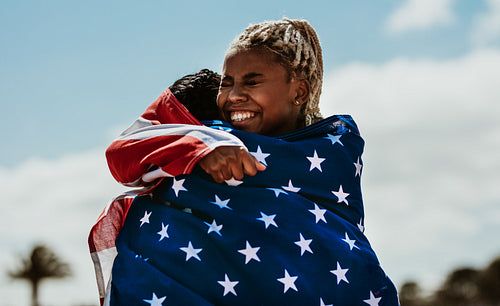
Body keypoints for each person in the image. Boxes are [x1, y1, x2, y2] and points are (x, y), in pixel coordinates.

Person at [99, 18, 399, 305]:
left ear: (299, 91)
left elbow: (336, 247)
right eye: (227, 83)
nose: (233, 95)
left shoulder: (334, 154)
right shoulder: (201, 130)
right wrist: (200, 146)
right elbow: (122, 154)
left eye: (251, 82)